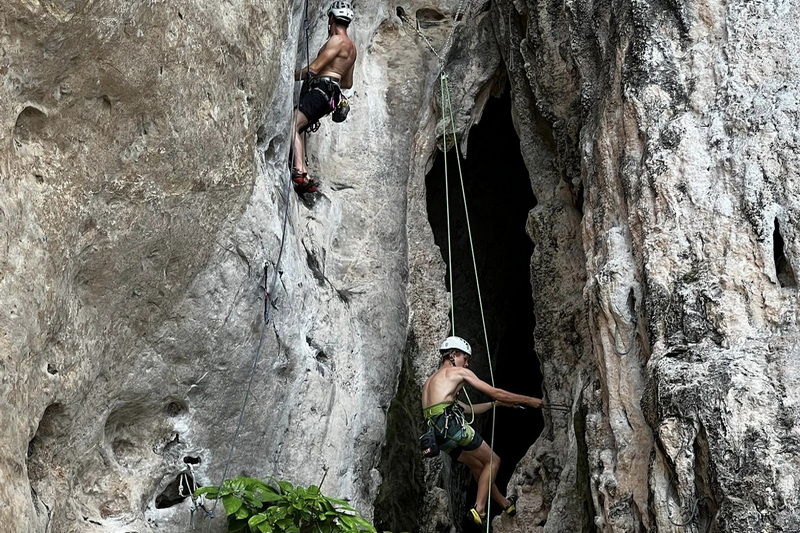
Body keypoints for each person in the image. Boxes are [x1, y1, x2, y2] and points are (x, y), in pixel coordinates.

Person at [422, 336, 544, 526]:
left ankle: (505, 504)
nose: (467, 364)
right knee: (493, 460)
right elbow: (493, 390)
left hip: (438, 434)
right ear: (454, 355)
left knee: (479, 466)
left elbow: (468, 409)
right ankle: (479, 509)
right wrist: (529, 400)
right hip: (452, 427)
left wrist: (495, 405)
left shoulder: (432, 381)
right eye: (465, 358)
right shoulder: (458, 372)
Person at [291, 0, 357, 194]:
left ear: (331, 18)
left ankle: (301, 171)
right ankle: (305, 175)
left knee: (292, 125)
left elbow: (314, 68)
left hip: (321, 90)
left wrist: (289, 75)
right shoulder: (352, 48)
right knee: (300, 126)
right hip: (331, 96)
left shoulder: (337, 41)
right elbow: (347, 83)